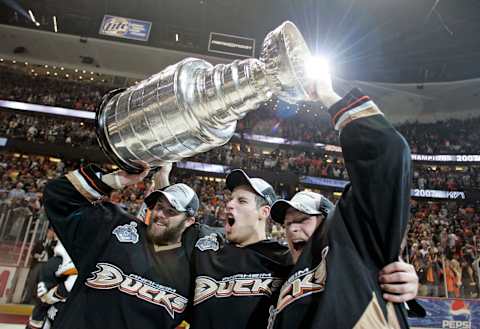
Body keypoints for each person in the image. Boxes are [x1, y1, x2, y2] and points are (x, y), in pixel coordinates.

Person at [189, 169, 419, 329]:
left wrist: (400, 278)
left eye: (241, 201)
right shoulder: (206, 246)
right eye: (288, 224)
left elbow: (349, 269)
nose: (229, 204)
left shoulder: (288, 260)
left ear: (264, 213)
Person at [267, 79, 414, 327]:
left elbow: (388, 152)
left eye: (303, 219)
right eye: (288, 223)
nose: (292, 228)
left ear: (328, 220)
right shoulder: (279, 272)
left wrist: (328, 96)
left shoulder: (348, 242)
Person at [43, 163, 200, 329]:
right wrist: (117, 179)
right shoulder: (114, 228)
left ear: (189, 222)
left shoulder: (193, 268)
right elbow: (57, 195)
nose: (160, 214)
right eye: (159, 207)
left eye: (171, 211)